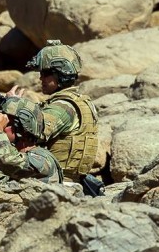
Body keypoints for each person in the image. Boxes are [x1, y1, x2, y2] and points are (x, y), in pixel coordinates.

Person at [8, 40, 99, 183]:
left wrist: (13, 105)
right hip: (64, 179)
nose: (40, 78)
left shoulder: (63, 106)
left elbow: (37, 131)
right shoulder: (79, 101)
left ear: (61, 74)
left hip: (55, 182)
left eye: (46, 73)